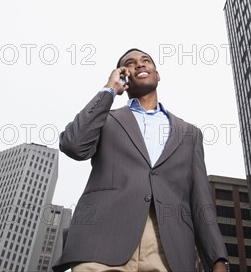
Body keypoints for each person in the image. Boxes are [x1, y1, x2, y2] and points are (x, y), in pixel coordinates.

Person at [52, 48, 229, 272]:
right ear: (123, 75)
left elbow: (200, 199)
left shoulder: (189, 134)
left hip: (168, 249)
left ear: (157, 73)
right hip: (101, 242)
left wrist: (217, 259)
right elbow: (74, 145)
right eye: (131, 63)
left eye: (146, 61)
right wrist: (109, 90)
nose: (140, 64)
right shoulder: (106, 120)